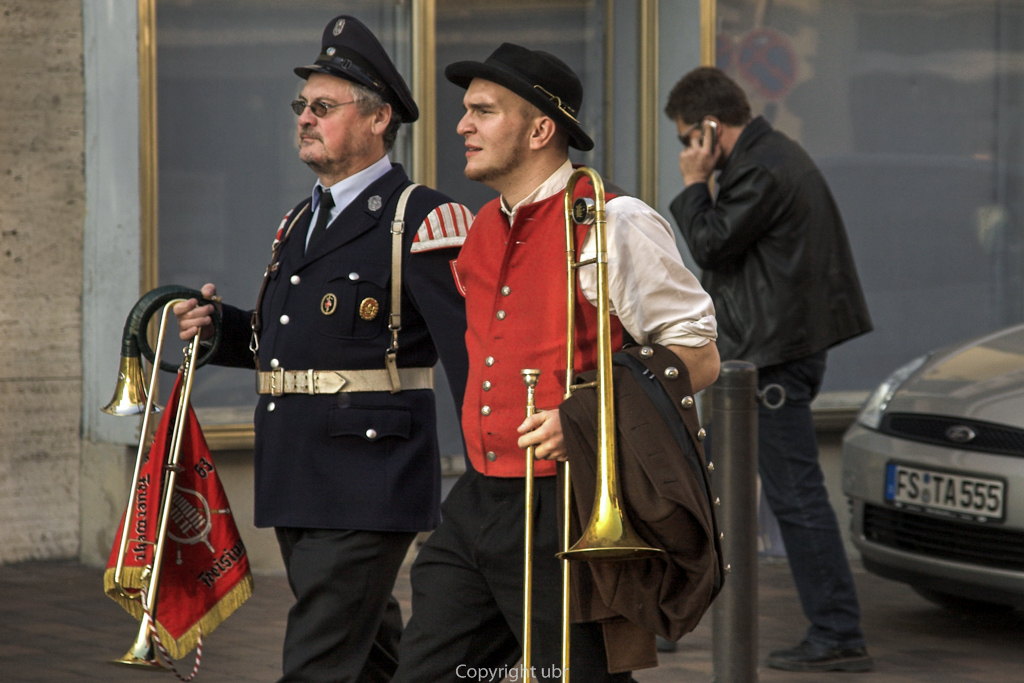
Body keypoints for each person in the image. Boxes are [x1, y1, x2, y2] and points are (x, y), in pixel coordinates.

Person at [392, 44, 720, 683]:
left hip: (566, 500)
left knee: (573, 674)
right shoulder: (483, 225)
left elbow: (699, 355)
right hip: (481, 495)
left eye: (483, 112)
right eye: (466, 111)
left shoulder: (613, 219)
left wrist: (583, 414)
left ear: (541, 129)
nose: (462, 126)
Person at [173, 15, 472, 683]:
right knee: (365, 650)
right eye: (301, 107)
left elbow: (471, 354)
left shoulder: (419, 217)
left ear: (377, 120)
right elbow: (294, 346)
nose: (305, 118)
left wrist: (494, 474)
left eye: (323, 107)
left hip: (372, 476)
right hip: (299, 468)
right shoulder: (300, 219)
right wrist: (220, 327)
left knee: (315, 659)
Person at [666, 66, 874, 673]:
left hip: (770, 360)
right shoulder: (767, 158)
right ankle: (670, 615)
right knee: (720, 493)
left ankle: (838, 632)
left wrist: (693, 184)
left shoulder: (760, 167)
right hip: (764, 354)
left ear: (710, 127)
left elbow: (710, 243)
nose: (687, 151)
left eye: (687, 138)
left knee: (796, 497)